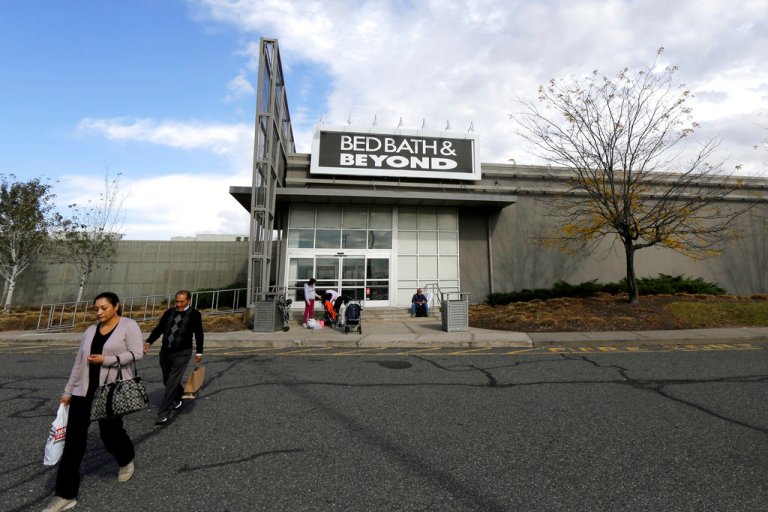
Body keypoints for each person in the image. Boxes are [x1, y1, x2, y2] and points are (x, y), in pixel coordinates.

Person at [43, 292, 143, 512]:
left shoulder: (128, 325)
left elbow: (137, 353)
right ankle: (65, 495)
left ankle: (126, 458)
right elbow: (79, 363)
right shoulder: (89, 331)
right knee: (73, 443)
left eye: (104, 308)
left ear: (116, 306)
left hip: (110, 390)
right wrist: (68, 391)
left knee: (111, 435)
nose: (99, 312)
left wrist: (107, 360)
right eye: (96, 308)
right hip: (83, 392)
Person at [143, 290, 204, 426]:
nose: (178, 304)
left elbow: (199, 333)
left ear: (189, 301)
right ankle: (180, 395)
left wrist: (199, 351)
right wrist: (149, 341)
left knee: (171, 383)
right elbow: (159, 328)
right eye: (176, 301)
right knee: (167, 379)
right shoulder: (169, 312)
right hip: (165, 352)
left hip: (182, 353)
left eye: (182, 301)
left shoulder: (194, 314)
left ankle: (164, 413)